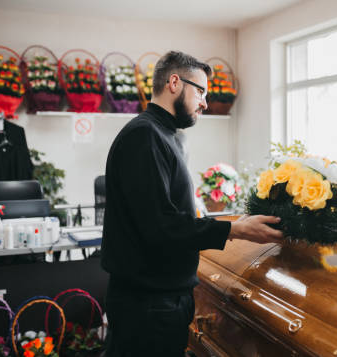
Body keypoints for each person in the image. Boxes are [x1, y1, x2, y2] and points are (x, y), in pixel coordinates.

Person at [101, 51, 283, 356]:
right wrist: (235, 229)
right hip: (147, 306)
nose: (205, 103)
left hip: (161, 300)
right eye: (200, 90)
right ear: (174, 82)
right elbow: (160, 226)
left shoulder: (163, 134)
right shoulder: (145, 136)